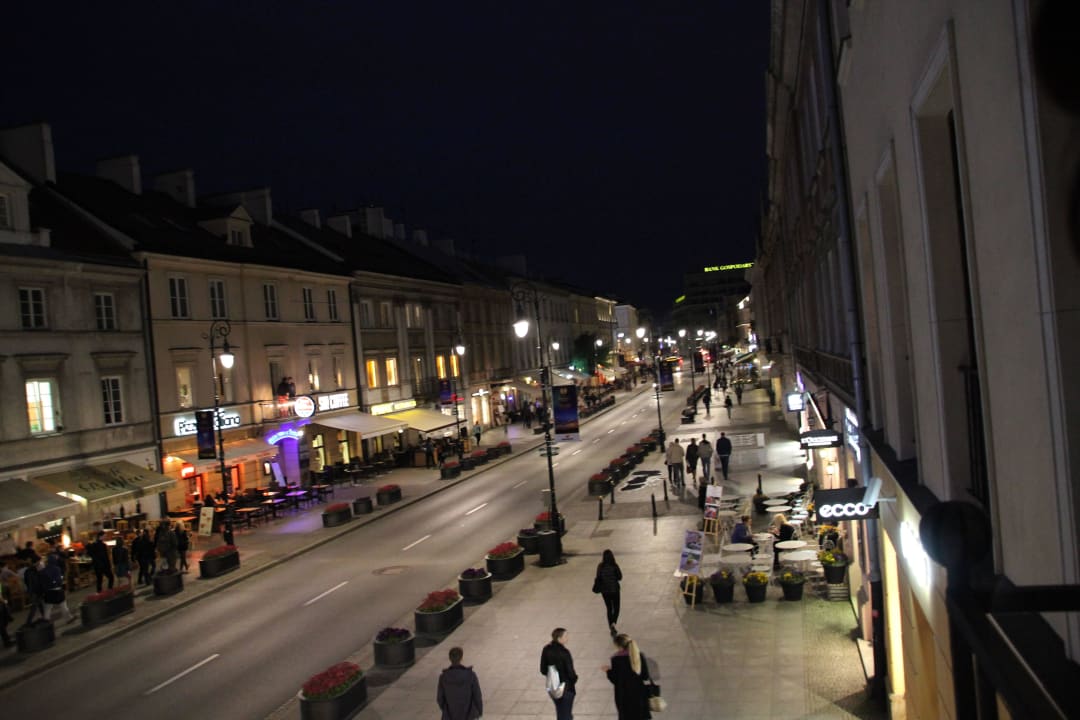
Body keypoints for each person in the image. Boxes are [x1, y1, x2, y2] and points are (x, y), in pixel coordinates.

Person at [602, 633, 653, 720]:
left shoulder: (616, 659)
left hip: (623, 695)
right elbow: (645, 676)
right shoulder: (639, 656)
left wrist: (608, 671)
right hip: (639, 694)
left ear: (617, 645)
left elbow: (615, 680)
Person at [436, 646, 483, 720]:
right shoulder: (470, 675)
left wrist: (445, 709)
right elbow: (477, 695)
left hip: (449, 715)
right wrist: (479, 711)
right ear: (461, 657)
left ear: (450, 658)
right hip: (469, 714)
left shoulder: (444, 677)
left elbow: (440, 698)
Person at [540, 628, 578, 720]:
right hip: (566, 688)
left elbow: (543, 670)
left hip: (552, 687)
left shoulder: (546, 649)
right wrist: (575, 679)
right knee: (566, 715)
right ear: (559, 638)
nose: (568, 638)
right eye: (566, 636)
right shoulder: (565, 653)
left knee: (561, 712)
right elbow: (571, 674)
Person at [595, 549, 623, 636]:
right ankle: (613, 623)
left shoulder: (600, 566)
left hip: (605, 591)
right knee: (617, 607)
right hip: (614, 590)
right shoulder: (614, 566)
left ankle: (610, 625)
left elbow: (598, 577)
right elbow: (620, 577)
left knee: (609, 608)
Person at [40, 556, 74, 625]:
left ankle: (46, 621)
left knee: (48, 607)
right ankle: (68, 618)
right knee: (63, 604)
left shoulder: (43, 571)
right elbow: (59, 580)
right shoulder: (56, 569)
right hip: (57, 590)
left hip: (48, 591)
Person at [21, 560, 45, 626]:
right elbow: (35, 583)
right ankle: (28, 622)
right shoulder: (33, 572)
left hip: (33, 591)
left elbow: (27, 582)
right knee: (34, 607)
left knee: (40, 605)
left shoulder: (28, 571)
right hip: (35, 591)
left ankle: (45, 617)